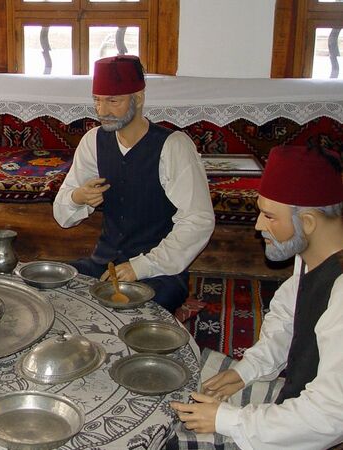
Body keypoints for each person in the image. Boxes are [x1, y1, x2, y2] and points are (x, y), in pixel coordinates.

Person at [171, 145, 343, 449]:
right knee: (179, 367)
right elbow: (289, 319)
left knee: (169, 439)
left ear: (308, 223)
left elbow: (330, 416)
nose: (259, 226)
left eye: (268, 216)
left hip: (318, 425)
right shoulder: (314, 253)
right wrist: (245, 371)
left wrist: (227, 419)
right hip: (306, 396)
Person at [52, 55, 215, 313]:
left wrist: (141, 267)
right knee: (53, 293)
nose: (102, 111)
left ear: (138, 98)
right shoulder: (93, 141)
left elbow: (199, 220)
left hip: (159, 272)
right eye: (97, 100)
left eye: (113, 101)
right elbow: (63, 215)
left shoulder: (173, 146)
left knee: (138, 314)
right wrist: (78, 198)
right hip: (103, 265)